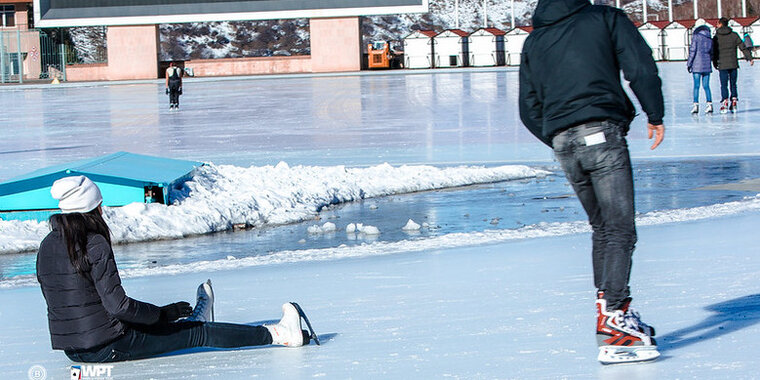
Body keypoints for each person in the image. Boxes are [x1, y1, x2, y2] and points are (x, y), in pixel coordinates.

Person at [519, 0, 664, 364]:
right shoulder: (605, 18)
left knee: (602, 227)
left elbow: (528, 106)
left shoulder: (534, 41)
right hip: (600, 131)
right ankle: (615, 318)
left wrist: (558, 137)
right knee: (619, 229)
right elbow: (640, 68)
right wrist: (655, 114)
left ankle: (610, 314)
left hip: (563, 142)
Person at [37, 176, 313, 363]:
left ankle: (189, 317)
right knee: (198, 333)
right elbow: (117, 306)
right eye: (100, 204)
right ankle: (281, 334)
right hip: (106, 347)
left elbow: (69, 303)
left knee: (170, 326)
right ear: (93, 207)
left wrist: (157, 318)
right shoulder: (93, 242)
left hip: (74, 351)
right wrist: (160, 314)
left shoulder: (47, 244)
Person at [712, 17, 754, 113]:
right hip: (733, 63)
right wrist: (749, 58)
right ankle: (734, 101)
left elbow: (714, 52)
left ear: (721, 24)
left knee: (723, 84)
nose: (716, 25)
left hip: (722, 64)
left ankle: (725, 102)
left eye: (717, 23)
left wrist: (714, 62)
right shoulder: (734, 35)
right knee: (733, 84)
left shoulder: (716, 37)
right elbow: (742, 47)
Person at [687, 21, 714, 114]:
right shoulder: (709, 37)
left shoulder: (696, 36)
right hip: (707, 64)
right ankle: (709, 104)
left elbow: (693, 50)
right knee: (706, 86)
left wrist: (689, 63)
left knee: (696, 86)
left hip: (697, 65)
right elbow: (711, 51)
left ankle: (695, 105)